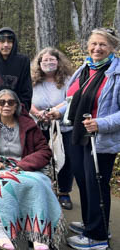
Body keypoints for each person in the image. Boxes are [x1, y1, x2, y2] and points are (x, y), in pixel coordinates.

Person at [48, 28, 120, 250]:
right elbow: (72, 100)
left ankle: (98, 236)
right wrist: (59, 112)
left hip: (99, 140)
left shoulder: (116, 74)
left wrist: (101, 123)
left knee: (96, 185)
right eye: (94, 44)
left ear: (113, 48)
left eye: (103, 45)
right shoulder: (86, 68)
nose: (97, 48)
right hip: (78, 135)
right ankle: (91, 222)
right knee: (84, 182)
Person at [0, 90, 61, 250]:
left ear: (17, 105)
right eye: (2, 102)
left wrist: (24, 164)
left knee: (40, 183)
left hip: (23, 165)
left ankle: (38, 235)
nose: (6, 105)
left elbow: (44, 151)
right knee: (9, 184)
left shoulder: (29, 124)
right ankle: (2, 231)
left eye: (11, 102)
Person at [29, 47, 75, 210]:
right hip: (39, 125)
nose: (48, 63)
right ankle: (42, 189)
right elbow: (28, 100)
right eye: (45, 60)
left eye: (52, 59)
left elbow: (70, 98)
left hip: (63, 127)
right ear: (39, 63)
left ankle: (64, 192)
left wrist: (55, 111)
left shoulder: (68, 79)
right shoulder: (33, 80)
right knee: (40, 157)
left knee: (65, 159)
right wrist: (38, 113)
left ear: (58, 61)